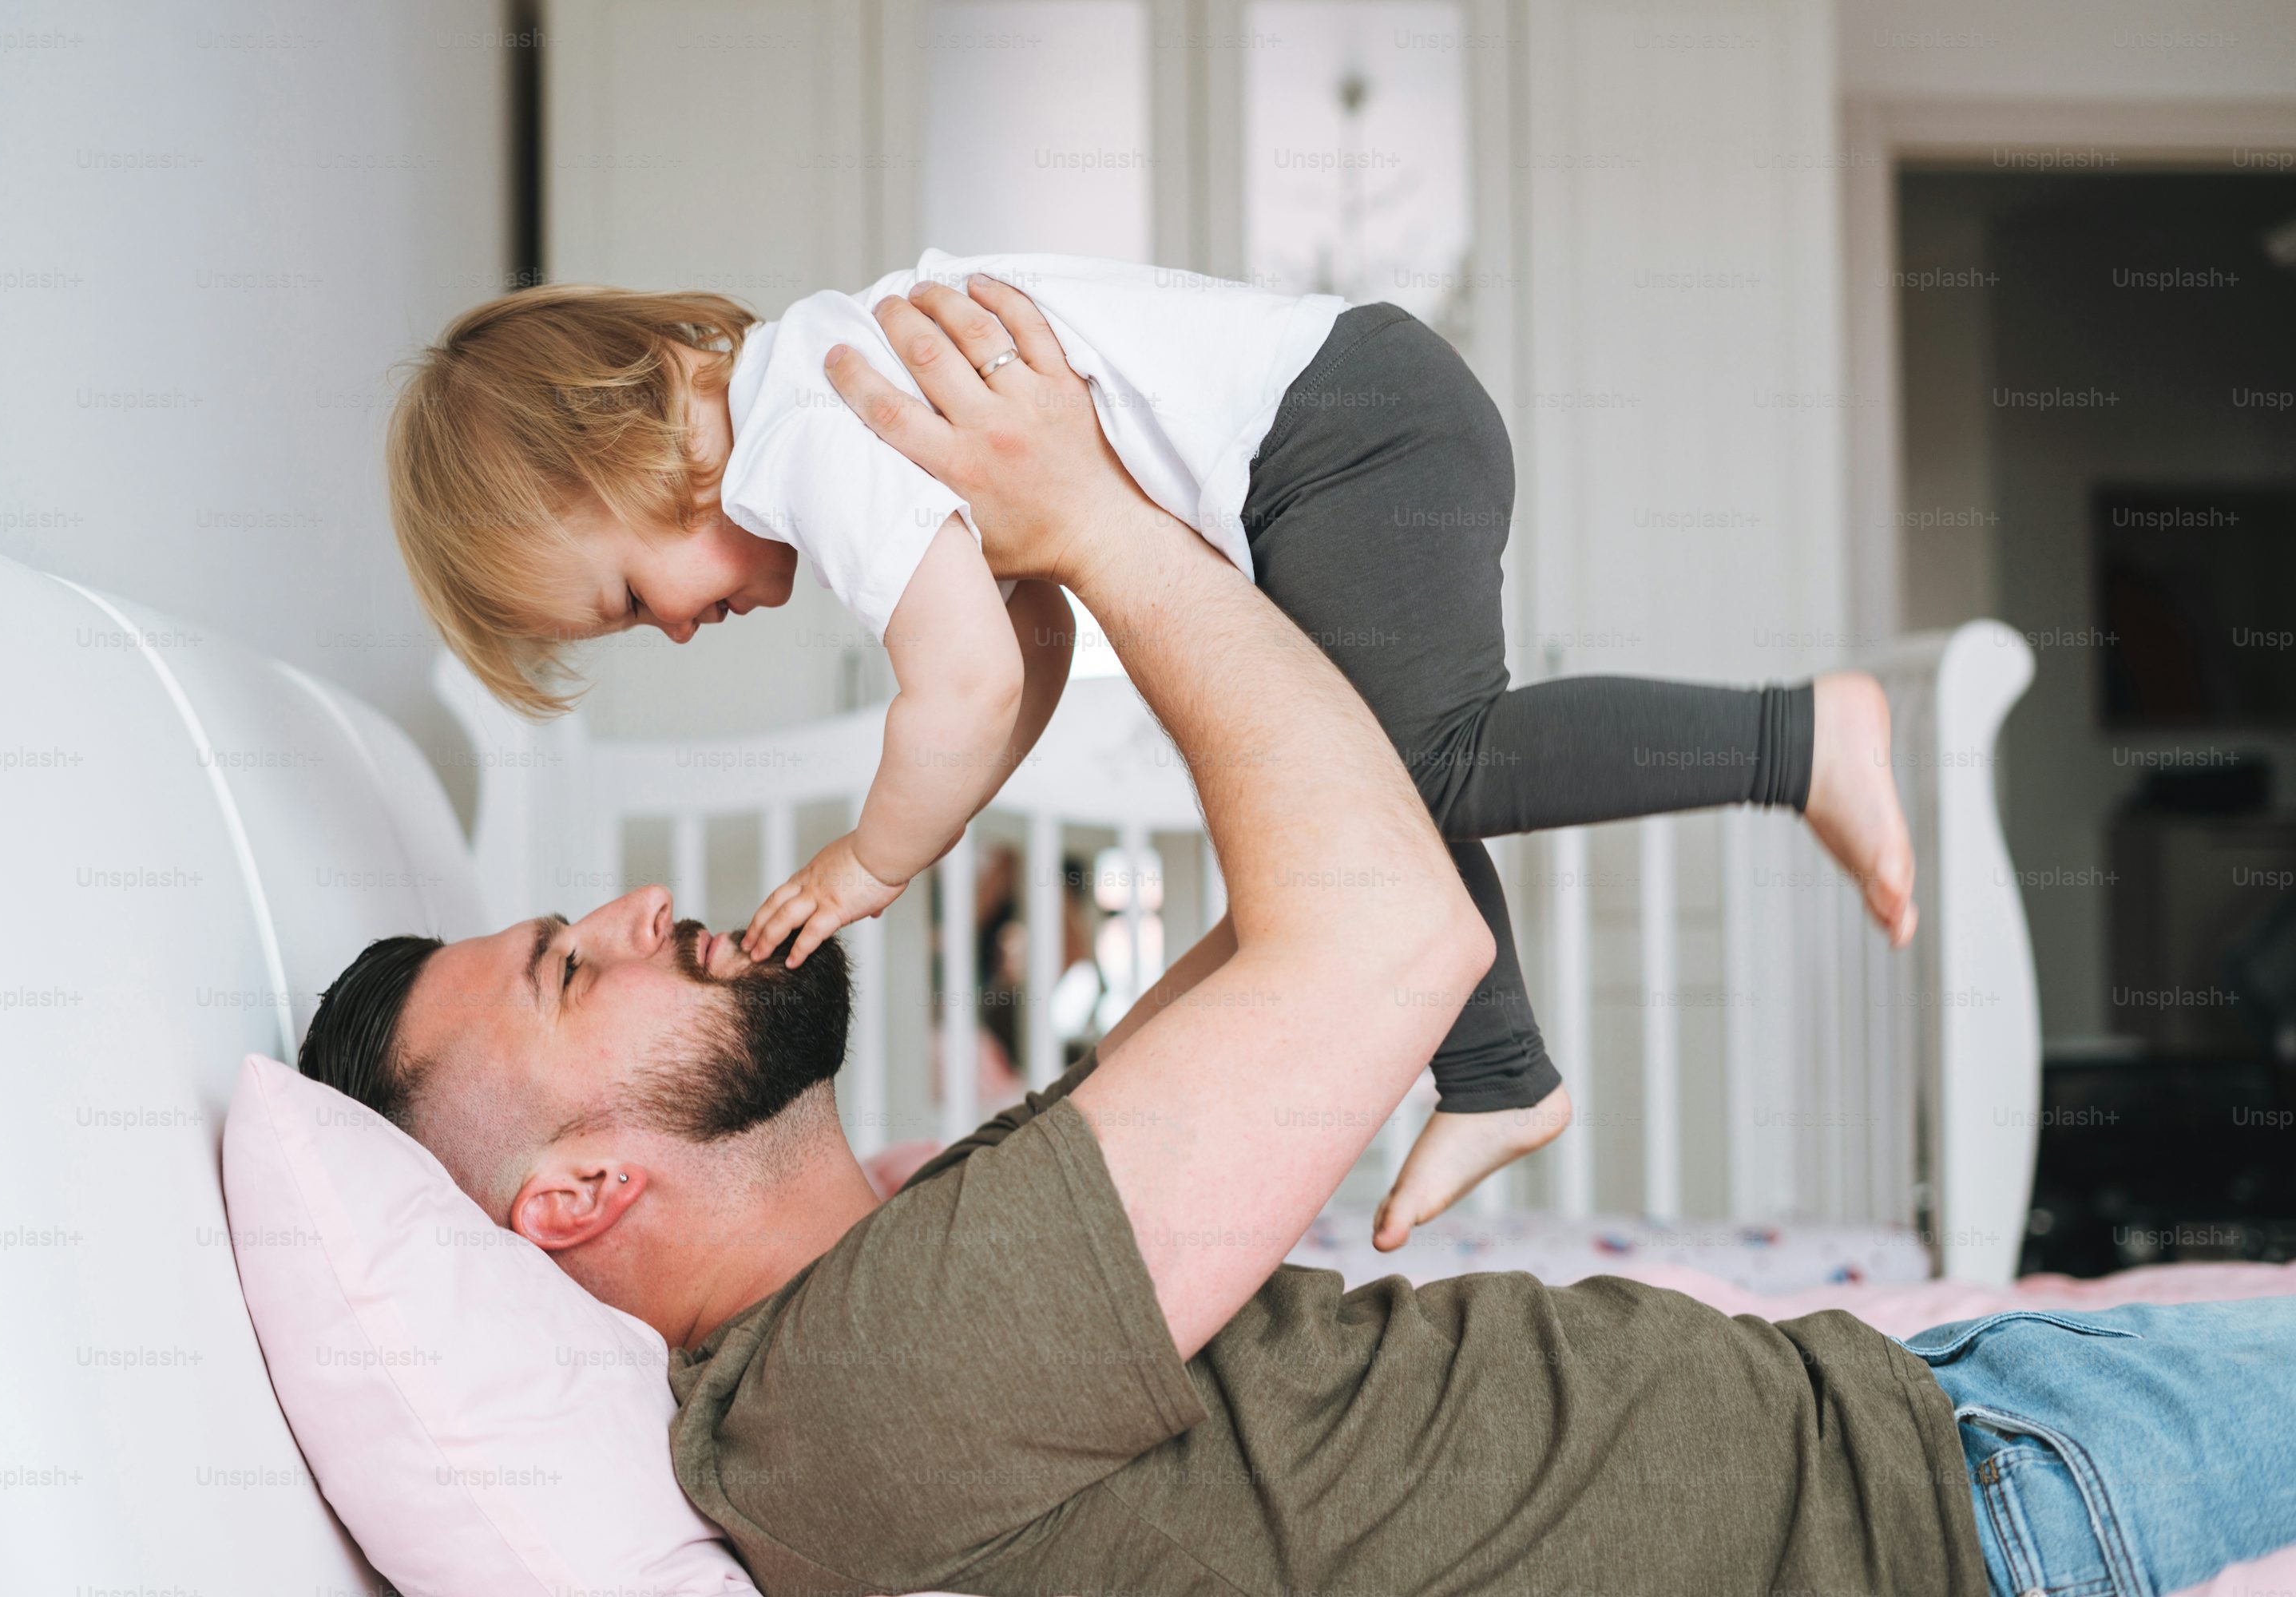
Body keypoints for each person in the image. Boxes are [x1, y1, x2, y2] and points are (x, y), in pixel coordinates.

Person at [311, 285, 2296, 1597]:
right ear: (571, 1193)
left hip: (1921, 1417)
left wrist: (1121, 517)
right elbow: (1387, 928)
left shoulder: (895, 1280)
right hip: (1976, 1515)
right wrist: (1101, 521)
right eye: (570, 967)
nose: (633, 906)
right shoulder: (848, 1403)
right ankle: (1795, 743)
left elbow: (1316, 893)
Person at [381, 253, 1917, 1243]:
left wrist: (869, 862)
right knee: (1372, 777)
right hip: (1356, 415)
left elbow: (962, 684)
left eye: (627, 600)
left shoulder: (812, 429)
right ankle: (1500, 1073)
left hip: (1346, 430)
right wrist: (936, 810)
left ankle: (1800, 739)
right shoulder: (833, 392)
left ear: (632, 436)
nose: (670, 631)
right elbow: (1032, 650)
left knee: (1421, 767)